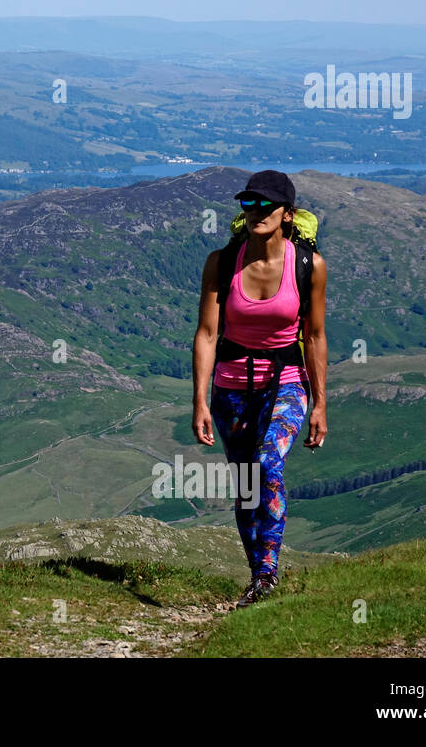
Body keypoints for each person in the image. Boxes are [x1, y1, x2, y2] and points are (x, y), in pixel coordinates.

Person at [191, 170, 327, 607]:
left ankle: (268, 574)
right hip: (231, 386)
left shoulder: (308, 266)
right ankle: (257, 579)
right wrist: (198, 400)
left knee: (268, 463)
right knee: (247, 484)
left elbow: (317, 335)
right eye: (249, 204)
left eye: (266, 205)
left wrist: (321, 403)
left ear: (288, 214)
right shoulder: (222, 263)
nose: (256, 212)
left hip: (286, 380)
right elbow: (207, 334)